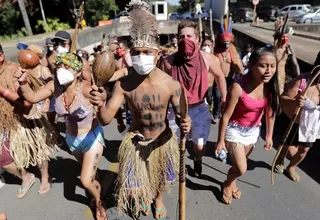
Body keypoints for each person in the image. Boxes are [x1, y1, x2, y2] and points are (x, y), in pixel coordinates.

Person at [89, 1, 191, 218]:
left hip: (163, 141)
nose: (141, 57)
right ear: (130, 54)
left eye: (146, 52)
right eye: (136, 52)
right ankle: (144, 195)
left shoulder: (171, 85)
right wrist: (99, 105)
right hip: (135, 142)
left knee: (162, 177)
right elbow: (106, 119)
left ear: (157, 55)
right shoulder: (124, 85)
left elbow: (183, 115)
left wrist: (186, 123)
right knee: (137, 181)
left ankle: (159, 198)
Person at [14, 53, 107, 220]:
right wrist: (23, 83)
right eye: (59, 67)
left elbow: (102, 102)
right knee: (92, 175)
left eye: (67, 67)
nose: (61, 70)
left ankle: (99, 202)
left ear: (78, 72)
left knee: (85, 181)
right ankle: (96, 181)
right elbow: (33, 97)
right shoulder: (54, 86)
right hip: (72, 141)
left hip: (91, 138)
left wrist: (102, 98)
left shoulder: (86, 89)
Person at [161, 20, 227, 177]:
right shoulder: (168, 62)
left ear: (197, 39)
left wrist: (224, 98)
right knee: (172, 145)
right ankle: (173, 170)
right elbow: (161, 88)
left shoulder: (208, 59)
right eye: (182, 36)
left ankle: (198, 160)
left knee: (199, 146)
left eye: (189, 36)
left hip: (199, 108)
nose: (185, 40)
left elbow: (220, 76)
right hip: (175, 110)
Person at [216, 47, 280, 204]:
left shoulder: (270, 87)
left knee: (239, 166)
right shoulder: (238, 87)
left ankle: (232, 182)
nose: (268, 71)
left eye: (272, 66)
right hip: (235, 130)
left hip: (253, 132)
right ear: (251, 65)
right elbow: (226, 116)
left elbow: (269, 113)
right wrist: (220, 140)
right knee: (242, 168)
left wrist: (269, 135)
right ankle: (227, 183)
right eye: (263, 65)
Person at [0, 44, 57, 198]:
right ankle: (26, 176)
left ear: (1, 56)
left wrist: (2, 90)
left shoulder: (13, 71)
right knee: (3, 157)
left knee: (38, 150)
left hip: (27, 118)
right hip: (7, 123)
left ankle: (45, 177)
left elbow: (25, 102)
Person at [273, 53, 320, 182]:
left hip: (311, 125)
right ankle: (280, 159)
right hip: (293, 120)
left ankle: (292, 167)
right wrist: (294, 101)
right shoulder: (303, 80)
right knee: (285, 146)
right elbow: (283, 97)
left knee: (304, 150)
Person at [274, 22, 300, 94]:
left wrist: (299, 78)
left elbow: (295, 64)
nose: (285, 39)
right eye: (283, 37)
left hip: (282, 74)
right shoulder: (274, 48)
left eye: (287, 37)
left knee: (280, 93)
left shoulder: (288, 48)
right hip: (273, 74)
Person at [201, 37, 216, 115]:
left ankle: (210, 111)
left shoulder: (215, 59)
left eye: (208, 45)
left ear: (212, 47)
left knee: (209, 99)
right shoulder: (197, 58)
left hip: (210, 85)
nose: (206, 47)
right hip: (200, 85)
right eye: (204, 45)